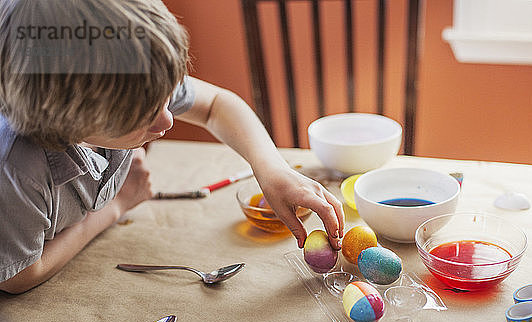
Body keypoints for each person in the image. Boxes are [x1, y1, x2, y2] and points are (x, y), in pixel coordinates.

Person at [0, 0, 344, 294]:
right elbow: (19, 274)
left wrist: (272, 169)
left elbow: (216, 106)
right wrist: (116, 206)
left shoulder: (131, 76)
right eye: (143, 117)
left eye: (167, 100)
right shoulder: (17, 168)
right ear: (67, 122)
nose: (168, 121)